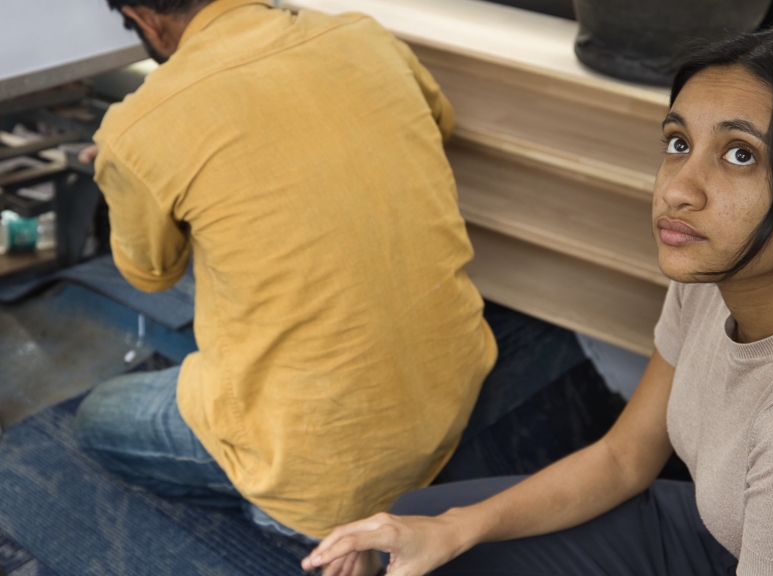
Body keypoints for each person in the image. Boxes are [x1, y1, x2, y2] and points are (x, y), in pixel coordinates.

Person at [303, 23, 773, 576]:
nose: (679, 188)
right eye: (680, 143)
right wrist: (452, 529)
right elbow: (625, 457)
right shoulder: (719, 279)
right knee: (419, 532)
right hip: (724, 543)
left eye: (739, 156)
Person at [71, 0, 498, 557]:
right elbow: (441, 124)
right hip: (457, 389)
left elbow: (152, 274)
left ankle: (292, 517)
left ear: (145, 19)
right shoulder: (363, 35)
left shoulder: (138, 127)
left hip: (322, 466)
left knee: (96, 417)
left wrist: (119, 171)